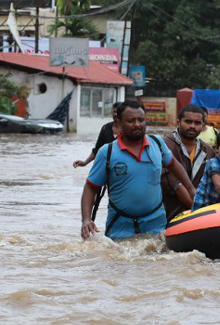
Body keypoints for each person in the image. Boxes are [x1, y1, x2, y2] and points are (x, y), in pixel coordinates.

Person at [80, 101, 197, 240]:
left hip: (156, 225)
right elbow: (90, 187)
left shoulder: (157, 144)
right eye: (131, 121)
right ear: (119, 122)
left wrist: (191, 189)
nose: (137, 124)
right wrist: (86, 219)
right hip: (120, 226)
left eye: (141, 120)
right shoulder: (107, 152)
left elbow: (174, 165)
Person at [161, 105, 217, 221]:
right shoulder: (165, 146)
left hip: (199, 213)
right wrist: (202, 211)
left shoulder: (208, 151)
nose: (192, 126)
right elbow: (174, 184)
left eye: (197, 123)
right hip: (170, 213)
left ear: (203, 126)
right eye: (188, 121)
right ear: (178, 122)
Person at [73, 102, 122, 167]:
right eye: (115, 112)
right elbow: (97, 150)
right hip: (106, 166)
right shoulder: (105, 128)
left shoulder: (128, 130)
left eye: (119, 112)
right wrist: (85, 163)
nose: (116, 114)